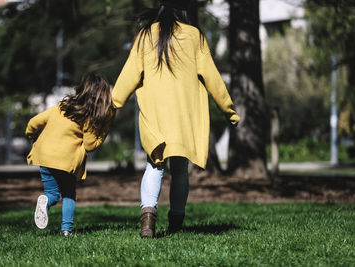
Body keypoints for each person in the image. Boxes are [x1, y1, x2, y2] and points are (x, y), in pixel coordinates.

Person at [111, 0, 240, 238]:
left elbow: (129, 74)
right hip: (183, 115)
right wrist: (229, 110)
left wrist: (114, 103)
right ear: (185, 10)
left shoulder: (144, 36)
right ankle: (176, 223)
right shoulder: (194, 36)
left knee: (154, 164)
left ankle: (148, 220)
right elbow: (212, 77)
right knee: (180, 169)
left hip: (155, 114)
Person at [25, 72, 113, 236]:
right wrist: (105, 129)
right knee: (68, 194)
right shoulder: (89, 117)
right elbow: (89, 144)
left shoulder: (61, 106)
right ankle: (66, 230)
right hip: (65, 160)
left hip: (44, 156)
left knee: (51, 194)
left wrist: (30, 133)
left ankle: (46, 202)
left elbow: (34, 122)